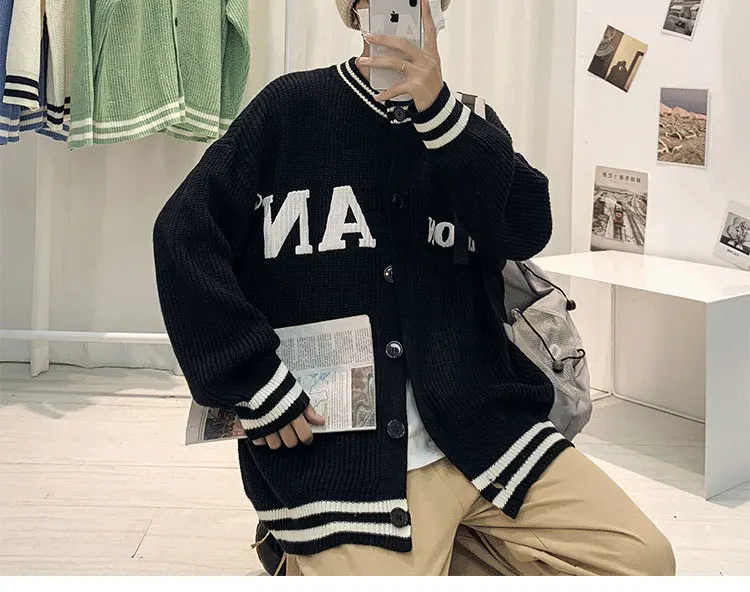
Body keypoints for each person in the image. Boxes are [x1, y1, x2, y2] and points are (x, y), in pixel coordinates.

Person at [152, 0, 676, 576]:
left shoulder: (469, 121)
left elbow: (527, 227)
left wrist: (442, 117)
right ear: (356, 10)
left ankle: (432, 546)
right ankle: (318, 545)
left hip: (485, 433)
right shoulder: (289, 110)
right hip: (343, 459)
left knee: (646, 562)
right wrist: (253, 382)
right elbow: (184, 231)